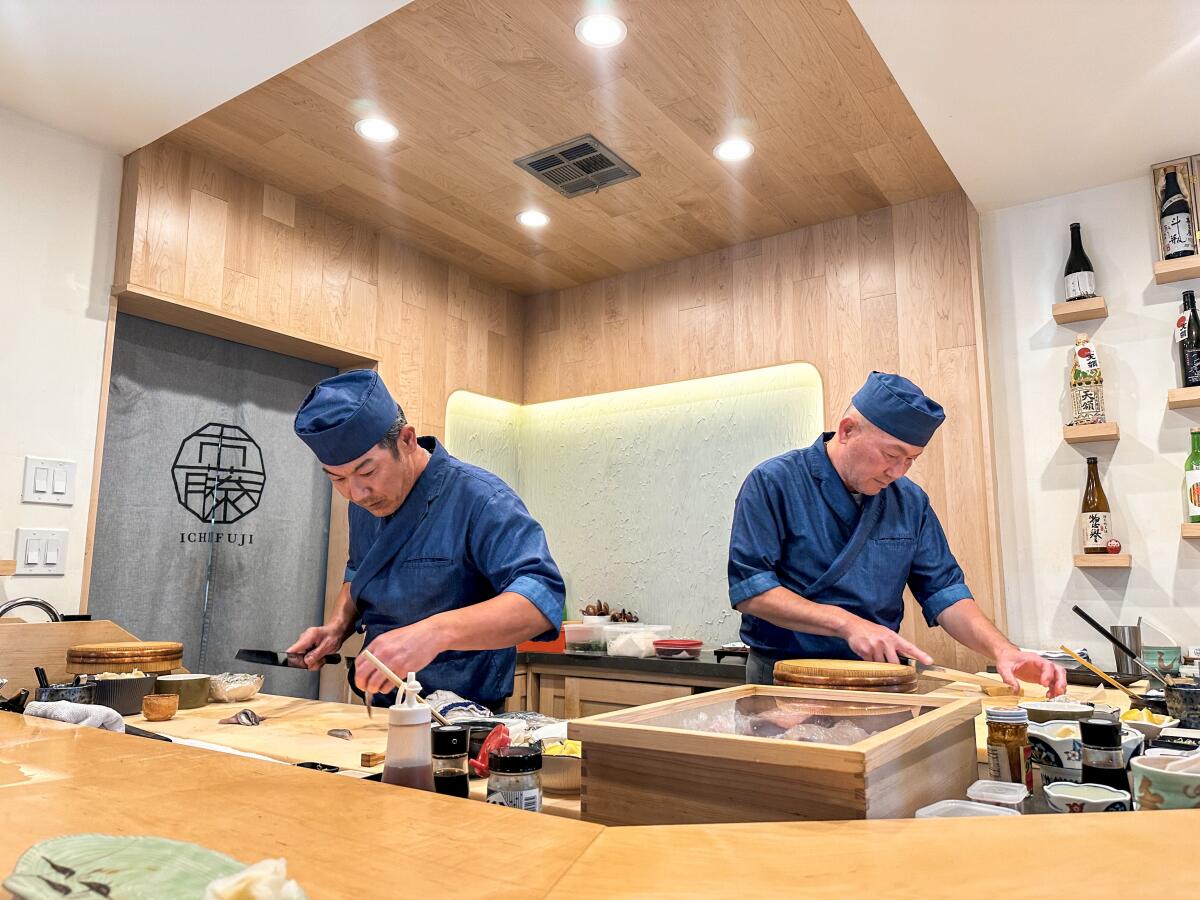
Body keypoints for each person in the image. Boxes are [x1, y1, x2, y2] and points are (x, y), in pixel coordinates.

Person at [728, 371, 1065, 696]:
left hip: (880, 679)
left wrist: (1003, 650)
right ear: (847, 431)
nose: (897, 471)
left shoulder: (910, 501)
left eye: (910, 460)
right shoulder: (774, 482)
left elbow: (945, 591)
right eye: (890, 455)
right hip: (785, 676)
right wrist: (847, 624)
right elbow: (752, 590)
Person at [287, 370, 564, 709]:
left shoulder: (480, 498)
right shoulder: (364, 504)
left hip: (462, 716)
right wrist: (336, 628)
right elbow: (360, 572)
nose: (356, 493)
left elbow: (541, 598)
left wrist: (433, 633)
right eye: (337, 479)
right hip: (378, 707)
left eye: (367, 471)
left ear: (406, 440)